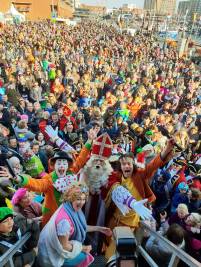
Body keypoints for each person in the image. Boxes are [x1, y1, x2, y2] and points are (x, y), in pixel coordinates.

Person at [0, 127, 98, 227]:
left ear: (68, 166)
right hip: (52, 217)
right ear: (53, 166)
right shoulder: (49, 180)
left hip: (69, 212)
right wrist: (18, 178)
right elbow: (35, 183)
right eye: (59, 163)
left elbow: (81, 158)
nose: (62, 166)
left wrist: (90, 141)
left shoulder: (71, 172)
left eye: (64, 163)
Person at [37, 184, 112, 267]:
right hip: (51, 256)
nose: (82, 202)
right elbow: (64, 246)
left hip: (54, 248)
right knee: (84, 255)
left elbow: (81, 227)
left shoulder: (70, 208)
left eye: (84, 199)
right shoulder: (64, 222)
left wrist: (99, 229)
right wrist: (83, 248)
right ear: (70, 198)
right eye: (78, 199)